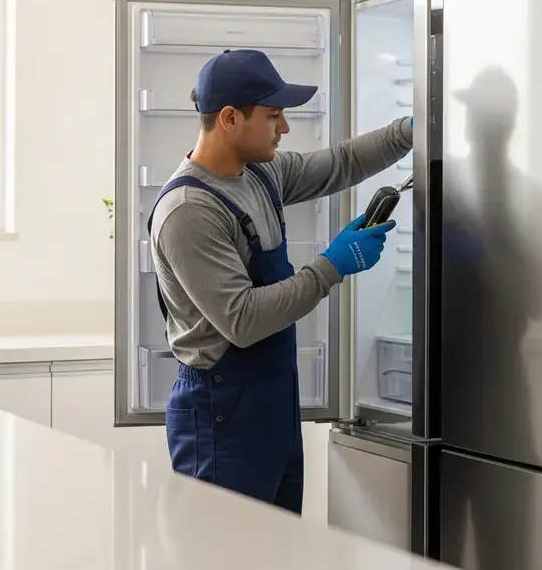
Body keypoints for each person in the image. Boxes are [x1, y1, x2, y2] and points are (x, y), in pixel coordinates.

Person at [148, 49, 411, 513]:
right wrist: (334, 264)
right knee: (224, 556)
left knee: (276, 554)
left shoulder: (261, 174)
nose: (284, 128)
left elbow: (342, 162)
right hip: (220, 416)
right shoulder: (190, 210)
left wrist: (412, 130)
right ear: (230, 118)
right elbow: (243, 320)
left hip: (273, 408)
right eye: (273, 116)